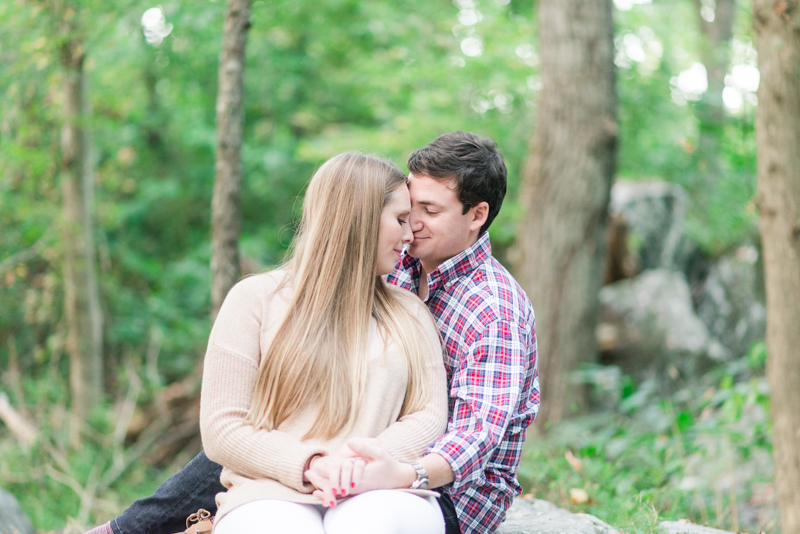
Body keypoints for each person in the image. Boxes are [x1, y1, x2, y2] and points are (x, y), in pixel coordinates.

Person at [86, 131, 538, 534]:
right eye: (406, 211)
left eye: (429, 211)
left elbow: (471, 433)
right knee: (248, 453)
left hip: (445, 488)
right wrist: (318, 464)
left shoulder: (489, 307)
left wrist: (370, 469)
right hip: (317, 471)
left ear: (477, 215)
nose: (413, 226)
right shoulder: (396, 269)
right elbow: (232, 429)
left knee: (363, 519)